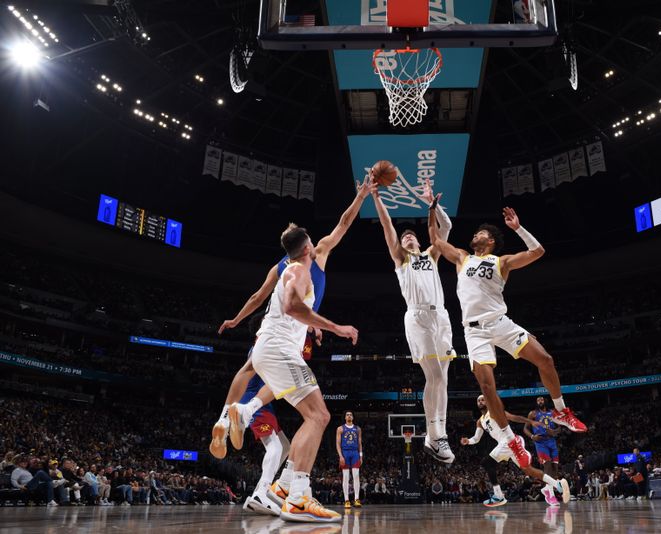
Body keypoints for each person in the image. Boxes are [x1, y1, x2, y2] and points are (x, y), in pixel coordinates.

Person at [212, 176, 375, 459]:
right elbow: (344, 223)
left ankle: (226, 418)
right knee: (315, 412)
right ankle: (294, 484)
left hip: (279, 328)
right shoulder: (316, 255)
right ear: (307, 246)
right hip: (287, 335)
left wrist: (237, 320)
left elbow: (258, 297)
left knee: (254, 369)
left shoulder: (282, 265)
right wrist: (361, 196)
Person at [427, 188, 587, 475]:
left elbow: (538, 252)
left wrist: (519, 228)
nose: (474, 235)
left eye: (480, 233)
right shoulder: (462, 258)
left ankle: (561, 410)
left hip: (501, 324)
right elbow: (435, 240)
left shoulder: (501, 262)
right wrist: (431, 208)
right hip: (474, 332)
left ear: (489, 241)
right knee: (487, 389)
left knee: (546, 360)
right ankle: (511, 440)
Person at [231, 224, 358, 523]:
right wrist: (335, 327)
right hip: (279, 351)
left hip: (268, 350)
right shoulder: (299, 270)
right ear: (306, 248)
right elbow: (291, 306)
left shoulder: (291, 268)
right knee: (319, 417)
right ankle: (298, 497)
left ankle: (284, 487)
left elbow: (279, 303)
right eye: (312, 240)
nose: (316, 243)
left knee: (313, 417)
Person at [370, 178, 456, 463]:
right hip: (417, 316)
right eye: (405, 236)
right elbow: (387, 228)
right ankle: (436, 434)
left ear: (418, 241)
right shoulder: (401, 259)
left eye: (411, 236)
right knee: (434, 375)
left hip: (441, 315)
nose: (407, 237)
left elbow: (445, 229)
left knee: (442, 378)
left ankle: (436, 437)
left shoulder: (431, 254)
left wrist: (433, 204)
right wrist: (377, 198)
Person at [460, 394, 570, 508]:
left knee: (486, 463)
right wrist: (468, 441)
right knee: (529, 471)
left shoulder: (494, 412)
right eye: (478, 400)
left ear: (487, 402)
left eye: (483, 399)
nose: (481, 402)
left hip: (508, 441)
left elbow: (513, 417)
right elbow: (476, 438)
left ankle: (498, 495)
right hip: (506, 445)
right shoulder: (480, 421)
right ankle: (557, 485)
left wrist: (530, 421)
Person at [523, 396, 561, 505]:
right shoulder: (533, 414)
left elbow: (560, 428)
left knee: (555, 468)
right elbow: (525, 428)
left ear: (545, 401)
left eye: (541, 399)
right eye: (538, 400)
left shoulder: (553, 413)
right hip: (540, 442)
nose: (540, 401)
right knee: (547, 465)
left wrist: (554, 432)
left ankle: (547, 489)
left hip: (552, 441)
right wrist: (532, 437)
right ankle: (550, 494)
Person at [336, 411, 363, 508]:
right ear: (345, 417)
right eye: (347, 415)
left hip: (355, 453)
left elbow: (360, 443)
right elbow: (338, 444)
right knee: (346, 477)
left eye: (350, 415)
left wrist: (361, 455)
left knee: (356, 476)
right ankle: (346, 500)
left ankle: (356, 499)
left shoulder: (357, 429)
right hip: (345, 453)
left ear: (353, 417)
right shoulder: (340, 428)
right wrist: (340, 456)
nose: (349, 416)